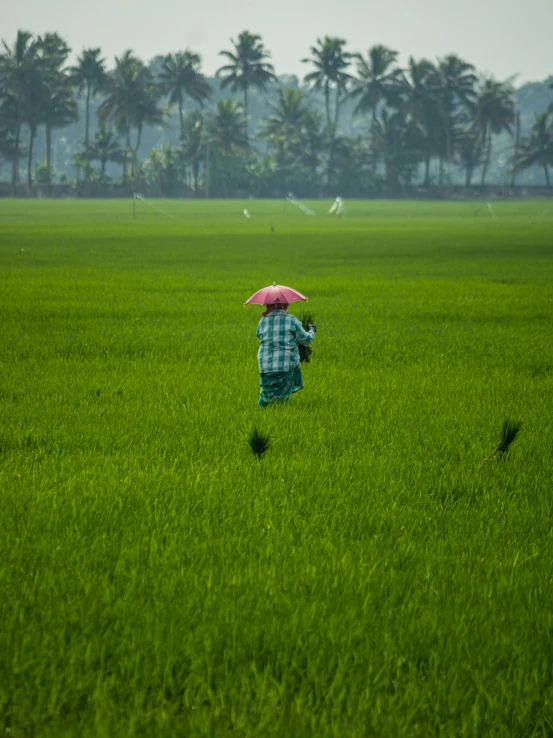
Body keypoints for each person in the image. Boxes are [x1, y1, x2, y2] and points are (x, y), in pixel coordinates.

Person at [256, 301, 316, 407]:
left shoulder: (262, 321)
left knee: (266, 393)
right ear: (283, 304)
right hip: (284, 366)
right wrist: (312, 330)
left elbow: (259, 335)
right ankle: (282, 413)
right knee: (283, 395)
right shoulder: (291, 320)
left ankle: (259, 411)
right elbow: (306, 339)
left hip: (264, 367)